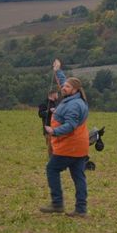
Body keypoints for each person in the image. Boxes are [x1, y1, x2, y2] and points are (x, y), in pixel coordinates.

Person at [40, 61, 90, 218]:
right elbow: (63, 82)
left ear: (75, 90)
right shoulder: (75, 98)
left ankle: (57, 203)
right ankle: (81, 209)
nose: (63, 88)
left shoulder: (74, 105)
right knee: (79, 177)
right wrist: (57, 70)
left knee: (52, 169)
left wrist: (53, 131)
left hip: (69, 146)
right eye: (64, 86)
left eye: (67, 87)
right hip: (80, 146)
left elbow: (71, 125)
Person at [38, 85, 60, 157]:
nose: (58, 95)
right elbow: (40, 114)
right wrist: (49, 111)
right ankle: (51, 159)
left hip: (57, 128)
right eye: (57, 94)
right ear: (53, 94)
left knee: (57, 145)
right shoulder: (44, 103)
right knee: (51, 145)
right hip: (48, 128)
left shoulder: (57, 103)